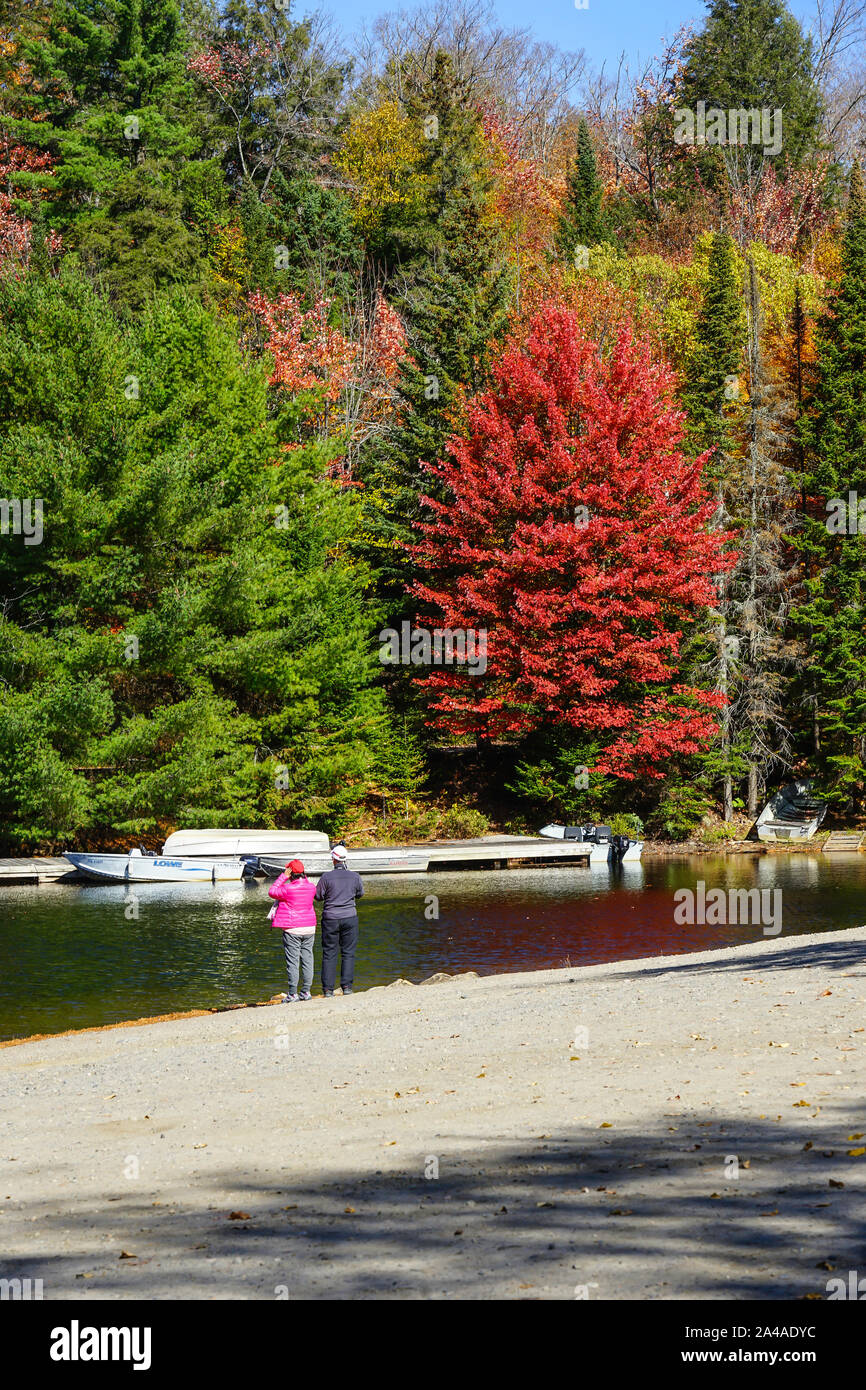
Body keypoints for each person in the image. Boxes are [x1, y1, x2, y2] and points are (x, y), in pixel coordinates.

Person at [314, 844, 364, 997]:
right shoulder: (355, 876)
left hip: (330, 918)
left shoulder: (326, 877)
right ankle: (347, 987)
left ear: (333, 859)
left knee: (329, 953)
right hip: (350, 917)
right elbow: (360, 894)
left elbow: (318, 897)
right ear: (345, 859)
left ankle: (328, 990)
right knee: (348, 953)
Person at [268, 859, 317, 1003]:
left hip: (292, 928)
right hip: (309, 927)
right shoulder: (311, 887)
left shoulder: (287, 889)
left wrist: (283, 876)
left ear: (291, 873)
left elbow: (272, 891)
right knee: (308, 959)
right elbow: (305, 882)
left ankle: (292, 994)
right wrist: (302, 875)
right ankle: (306, 992)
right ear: (303, 873)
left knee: (293, 962)